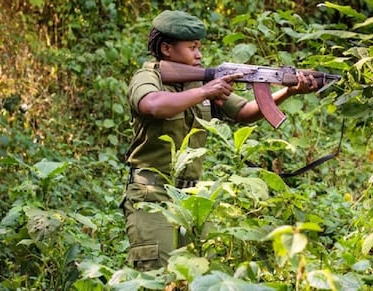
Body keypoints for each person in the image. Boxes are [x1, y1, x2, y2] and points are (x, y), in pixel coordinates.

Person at [121, 10, 318, 272]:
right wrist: (205, 90)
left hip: (192, 198)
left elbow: (245, 112)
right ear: (167, 48)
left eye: (199, 48)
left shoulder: (198, 81)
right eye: (192, 47)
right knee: (158, 276)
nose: (199, 55)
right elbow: (153, 105)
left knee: (200, 277)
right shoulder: (148, 78)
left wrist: (288, 91)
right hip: (152, 196)